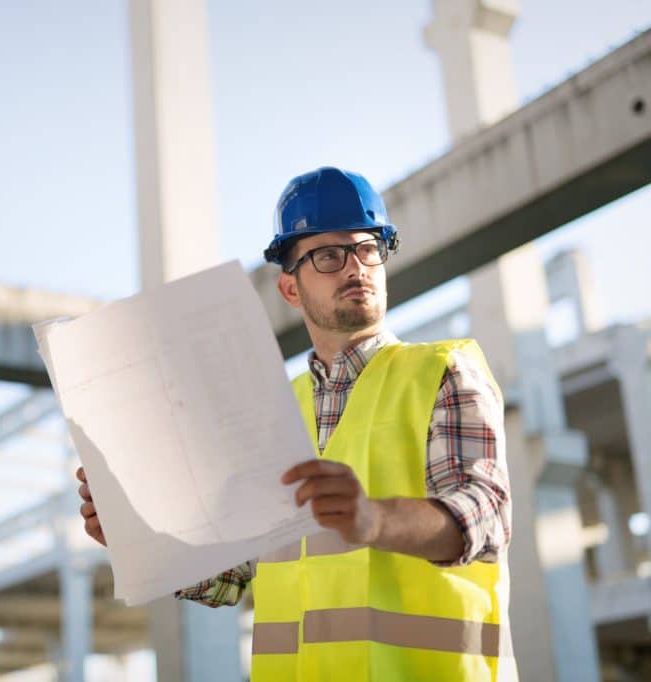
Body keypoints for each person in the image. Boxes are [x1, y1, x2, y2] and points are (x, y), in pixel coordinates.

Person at [76, 166, 515, 681]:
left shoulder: (443, 370)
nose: (356, 267)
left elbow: (485, 516)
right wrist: (137, 537)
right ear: (289, 288)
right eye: (329, 255)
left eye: (369, 247)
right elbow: (236, 576)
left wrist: (372, 519)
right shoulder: (272, 411)